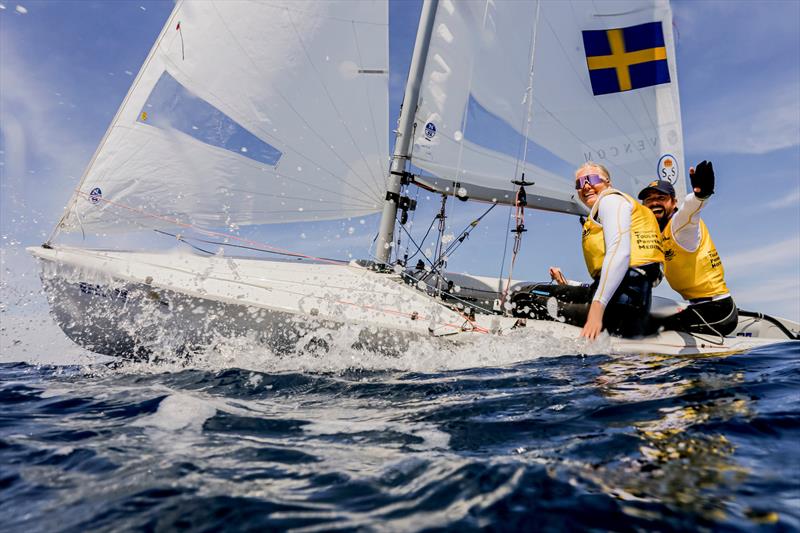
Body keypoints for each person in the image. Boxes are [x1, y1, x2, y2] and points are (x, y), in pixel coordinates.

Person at [512, 162, 664, 339]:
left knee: (522, 298)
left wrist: (596, 311)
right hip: (627, 298)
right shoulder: (616, 206)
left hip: (619, 305)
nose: (585, 186)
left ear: (608, 182)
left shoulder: (610, 200)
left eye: (591, 179)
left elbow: (619, 252)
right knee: (532, 290)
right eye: (579, 183)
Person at [638, 161, 738, 336]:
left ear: (673, 202)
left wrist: (701, 195)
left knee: (646, 327)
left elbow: (689, 210)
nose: (654, 203)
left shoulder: (680, 225)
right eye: (649, 199)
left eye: (661, 198)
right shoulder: (655, 234)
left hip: (717, 311)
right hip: (698, 307)